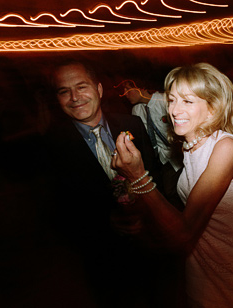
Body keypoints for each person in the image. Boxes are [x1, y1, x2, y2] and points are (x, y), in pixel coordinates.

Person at [111, 63, 233, 307]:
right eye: (172, 99)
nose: (174, 110)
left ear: (212, 109)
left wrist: (138, 176)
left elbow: (183, 230)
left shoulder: (225, 147)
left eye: (187, 101)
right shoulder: (189, 145)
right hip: (201, 267)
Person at [38, 61, 176, 307]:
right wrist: (105, 221)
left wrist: (147, 213)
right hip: (101, 255)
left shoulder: (131, 125)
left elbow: (153, 174)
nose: (74, 97)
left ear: (99, 89)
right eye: (64, 91)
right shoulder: (50, 146)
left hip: (150, 244)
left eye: (81, 87)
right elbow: (55, 211)